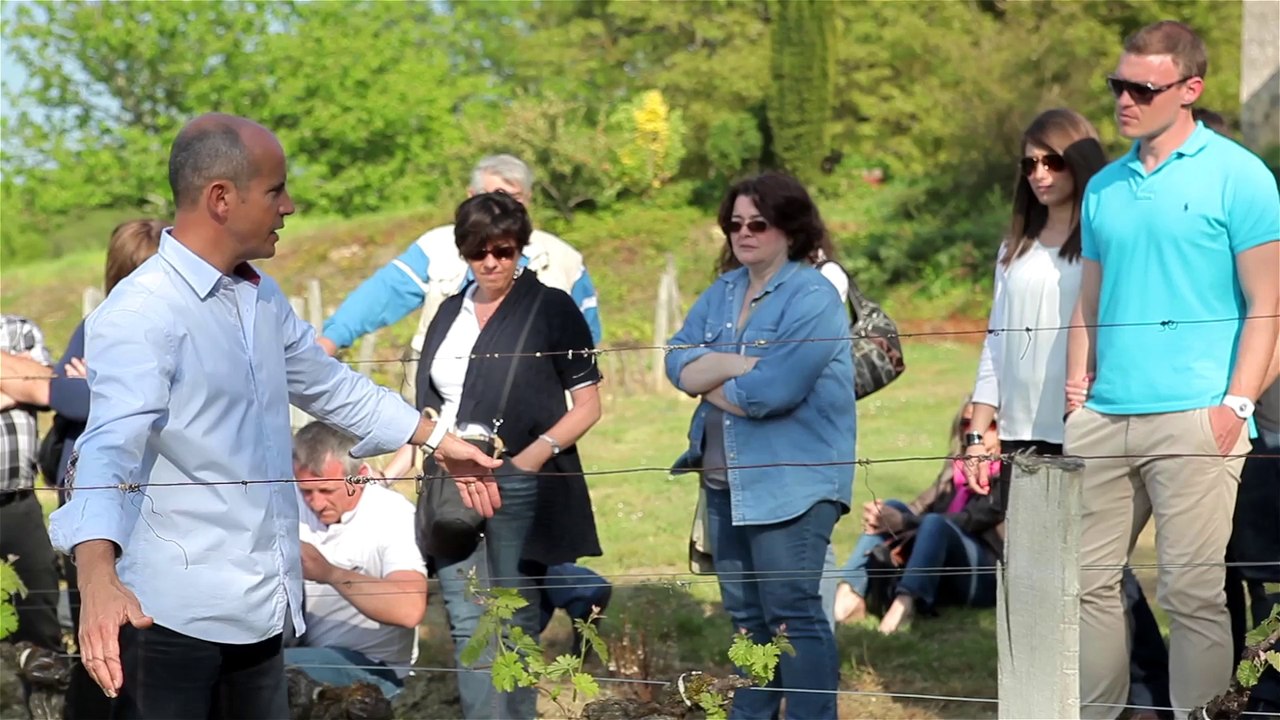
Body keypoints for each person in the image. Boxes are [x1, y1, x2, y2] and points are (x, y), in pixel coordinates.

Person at [46, 112, 501, 720]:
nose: (290, 205)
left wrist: (438, 438)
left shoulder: (258, 296)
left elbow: (330, 386)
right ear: (221, 199)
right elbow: (107, 450)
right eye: (275, 189)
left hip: (260, 610)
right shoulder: (143, 313)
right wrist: (98, 575)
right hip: (168, 619)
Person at [1064, 21, 1280, 718]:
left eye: (1141, 88)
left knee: (1191, 593)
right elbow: (1088, 301)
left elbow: (1269, 303)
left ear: (1190, 89)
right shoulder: (1103, 188)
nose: (1124, 99)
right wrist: (1078, 402)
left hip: (1198, 419)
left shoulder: (1242, 176)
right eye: (1117, 85)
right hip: (1105, 420)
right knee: (1086, 584)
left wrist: (1237, 406)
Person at [666, 172, 855, 719]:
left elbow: (773, 393)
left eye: (758, 223)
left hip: (792, 483)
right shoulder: (722, 292)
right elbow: (676, 360)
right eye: (734, 224)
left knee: (792, 612)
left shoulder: (813, 296)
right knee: (746, 618)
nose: (743, 233)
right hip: (724, 481)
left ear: (790, 229)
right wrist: (736, 366)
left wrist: (711, 378)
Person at [414, 191, 604, 720]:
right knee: (466, 621)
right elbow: (432, 404)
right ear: (464, 252)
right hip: (449, 479)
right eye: (480, 252)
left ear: (521, 248)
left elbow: (588, 405)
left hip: (517, 479)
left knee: (514, 622)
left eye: (504, 250)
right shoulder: (449, 310)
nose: (493, 262)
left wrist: (531, 459)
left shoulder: (551, 308)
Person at [318, 153, 603, 358]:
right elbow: (382, 296)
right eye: (490, 195)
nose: (498, 207)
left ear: (528, 199)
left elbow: (586, 340)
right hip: (441, 404)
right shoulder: (436, 247)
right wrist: (332, 339)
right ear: (470, 195)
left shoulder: (564, 259)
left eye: (512, 198)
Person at [285, 421, 427, 699]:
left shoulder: (391, 512)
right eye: (306, 491)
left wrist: (330, 573)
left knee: (267, 675)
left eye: (326, 491)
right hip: (300, 649)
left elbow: (409, 608)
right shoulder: (290, 502)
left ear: (360, 476)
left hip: (372, 668)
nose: (316, 503)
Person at [834, 400, 1001, 633]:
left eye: (988, 425)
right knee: (893, 507)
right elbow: (919, 506)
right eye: (966, 423)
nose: (973, 432)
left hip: (984, 577)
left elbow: (972, 519)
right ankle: (848, 596)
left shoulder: (1010, 472)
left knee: (935, 523)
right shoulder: (956, 466)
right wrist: (886, 515)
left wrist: (903, 522)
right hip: (942, 568)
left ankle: (904, 606)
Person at [0, 317, 64, 660]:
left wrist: (30, 383)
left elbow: (45, 389)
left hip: (17, 505)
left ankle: (46, 707)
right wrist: (14, 382)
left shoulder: (18, 330)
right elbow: (29, 384)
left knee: (39, 622)